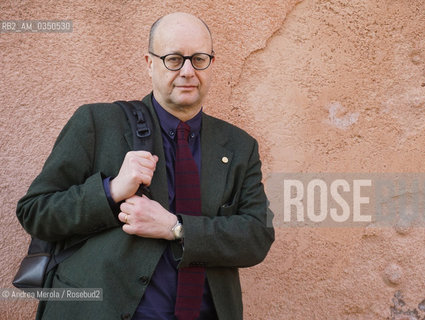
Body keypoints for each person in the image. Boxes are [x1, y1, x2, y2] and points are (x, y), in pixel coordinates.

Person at [16, 12, 274, 320]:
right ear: (149, 63)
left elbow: (257, 236)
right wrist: (109, 191)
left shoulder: (239, 146)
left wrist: (175, 228)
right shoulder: (98, 124)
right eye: (174, 59)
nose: (188, 71)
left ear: (212, 64)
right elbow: (35, 212)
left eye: (199, 59)